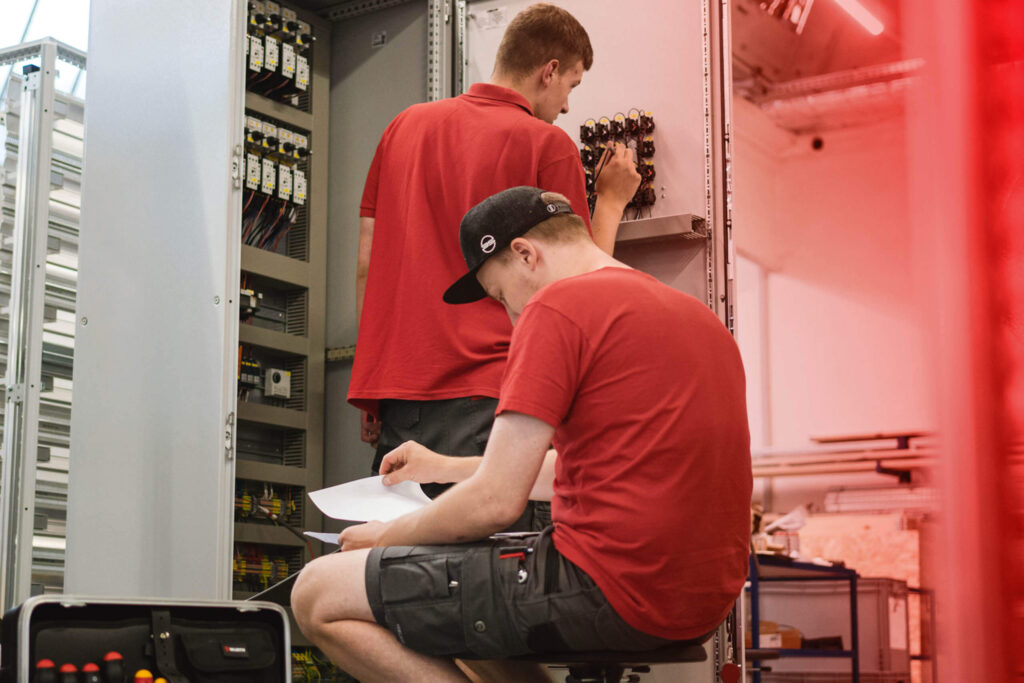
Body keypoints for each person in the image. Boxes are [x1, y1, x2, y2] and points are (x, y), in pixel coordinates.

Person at [293, 187, 753, 682]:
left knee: (318, 592)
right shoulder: (697, 318)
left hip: (607, 588)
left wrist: (384, 538)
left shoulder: (558, 308)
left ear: (525, 254)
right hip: (700, 605)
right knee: (463, 612)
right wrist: (446, 469)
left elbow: (494, 503)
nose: (513, 319)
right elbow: (599, 469)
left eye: (501, 296)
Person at [350, 3, 640, 511]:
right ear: (548, 70)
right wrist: (612, 201)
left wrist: (373, 384)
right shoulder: (547, 145)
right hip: (494, 394)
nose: (568, 106)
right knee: (482, 572)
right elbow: (578, 286)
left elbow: (367, 263)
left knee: (400, 568)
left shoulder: (403, 128)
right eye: (571, 86)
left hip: (400, 396)